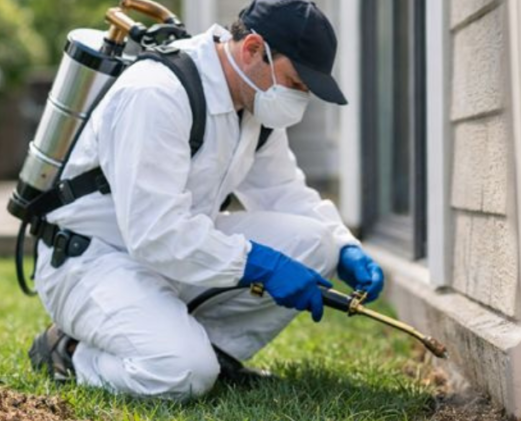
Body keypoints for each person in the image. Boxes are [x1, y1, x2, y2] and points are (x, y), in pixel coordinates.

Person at [28, 0, 384, 400]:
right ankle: (71, 353)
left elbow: (281, 192)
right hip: (94, 260)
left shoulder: (253, 105)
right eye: (296, 83)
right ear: (252, 50)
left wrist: (345, 245)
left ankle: (214, 355)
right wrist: (259, 264)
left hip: (171, 256)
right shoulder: (157, 93)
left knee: (318, 244)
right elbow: (154, 233)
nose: (300, 98)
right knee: (179, 374)